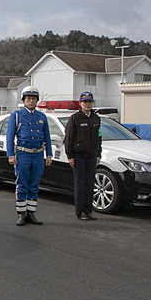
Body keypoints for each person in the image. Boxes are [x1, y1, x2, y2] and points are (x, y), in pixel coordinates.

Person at [6, 86, 52, 226]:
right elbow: (9, 137)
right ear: (23, 100)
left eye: (33, 99)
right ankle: (21, 214)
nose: (31, 101)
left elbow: (47, 137)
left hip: (38, 155)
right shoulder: (17, 115)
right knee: (22, 185)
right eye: (28, 99)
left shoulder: (42, 116)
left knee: (34, 186)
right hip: (23, 154)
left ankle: (31, 213)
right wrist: (10, 155)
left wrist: (48, 154)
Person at [64, 91, 102, 221]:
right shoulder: (75, 118)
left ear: (92, 103)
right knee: (80, 185)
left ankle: (88, 210)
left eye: (89, 102)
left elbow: (99, 137)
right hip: (79, 156)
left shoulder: (96, 118)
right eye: (85, 102)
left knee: (90, 184)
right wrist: (70, 156)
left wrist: (98, 154)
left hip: (91, 156)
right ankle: (80, 212)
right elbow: (68, 138)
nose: (87, 104)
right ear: (80, 103)